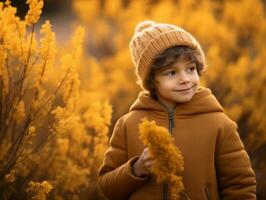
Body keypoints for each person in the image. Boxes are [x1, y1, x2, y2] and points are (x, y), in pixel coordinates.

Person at [98, 20, 256, 200]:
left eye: (190, 69)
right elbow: (107, 187)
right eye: (172, 73)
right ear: (151, 80)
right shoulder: (128, 124)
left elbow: (241, 186)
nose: (185, 79)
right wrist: (136, 168)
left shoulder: (219, 124)